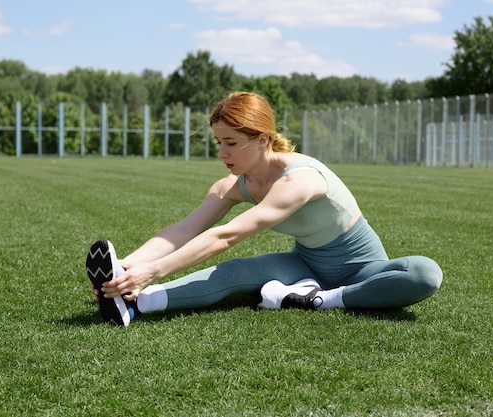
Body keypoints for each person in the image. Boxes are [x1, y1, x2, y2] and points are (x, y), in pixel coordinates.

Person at [86, 91, 443, 327]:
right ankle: (135, 305)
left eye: (231, 143)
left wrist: (155, 269)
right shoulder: (233, 183)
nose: (221, 153)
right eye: (218, 142)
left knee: (425, 274)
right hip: (305, 265)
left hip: (364, 271)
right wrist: (127, 270)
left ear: (261, 139)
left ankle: (321, 300)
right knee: (230, 274)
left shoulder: (299, 180)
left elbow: (227, 235)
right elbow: (184, 229)